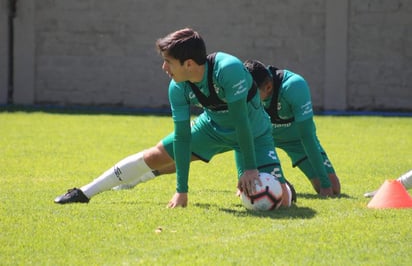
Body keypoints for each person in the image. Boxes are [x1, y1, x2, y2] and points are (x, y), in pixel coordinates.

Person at [54, 28, 293, 208]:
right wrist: (182, 191)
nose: (164, 68)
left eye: (168, 62)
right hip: (212, 128)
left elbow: (242, 121)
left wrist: (250, 168)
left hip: (254, 131)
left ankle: (286, 187)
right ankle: (83, 193)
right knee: (154, 155)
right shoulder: (177, 87)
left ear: (188, 64)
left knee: (280, 201)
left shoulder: (228, 69)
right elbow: (182, 137)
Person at [243, 60, 341, 197]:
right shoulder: (242, 91)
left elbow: (307, 136)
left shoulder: (294, 86)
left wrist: (325, 185)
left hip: (297, 140)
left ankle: (281, 184)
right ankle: (284, 186)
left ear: (269, 87)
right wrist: (243, 174)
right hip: (264, 139)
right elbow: (241, 136)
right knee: (279, 194)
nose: (247, 97)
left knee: (334, 188)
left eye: (253, 93)